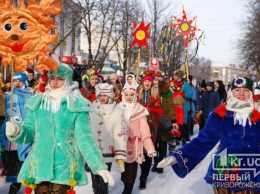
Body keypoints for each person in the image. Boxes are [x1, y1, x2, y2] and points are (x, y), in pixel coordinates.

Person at [5, 64, 114, 194]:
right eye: (52, 78)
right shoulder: (38, 102)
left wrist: (98, 165)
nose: (55, 82)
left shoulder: (76, 105)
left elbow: (85, 140)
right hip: (40, 165)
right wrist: (17, 131)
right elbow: (28, 133)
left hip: (65, 168)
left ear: (67, 80)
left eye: (60, 78)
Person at [158, 76, 260, 193]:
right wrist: (179, 156)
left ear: (251, 93)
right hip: (226, 171)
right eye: (237, 90)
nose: (241, 93)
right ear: (231, 93)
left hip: (254, 171)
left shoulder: (258, 116)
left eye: (246, 90)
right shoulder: (220, 115)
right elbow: (203, 140)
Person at [137, 70, 179, 189]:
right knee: (138, 154)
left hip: (151, 129)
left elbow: (160, 114)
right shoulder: (135, 95)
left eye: (150, 81)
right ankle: (140, 174)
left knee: (148, 152)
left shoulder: (155, 97)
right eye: (146, 81)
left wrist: (170, 126)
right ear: (142, 82)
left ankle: (143, 177)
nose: (148, 83)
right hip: (136, 130)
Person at [118, 80, 156, 194]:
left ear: (135, 96)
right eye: (127, 95)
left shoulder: (140, 110)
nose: (129, 97)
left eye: (131, 95)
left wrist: (150, 148)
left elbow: (145, 132)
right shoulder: (117, 108)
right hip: (120, 145)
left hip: (134, 145)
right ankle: (126, 185)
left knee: (131, 169)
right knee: (124, 170)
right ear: (123, 95)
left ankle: (127, 190)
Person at [89, 83, 127, 194]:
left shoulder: (116, 112)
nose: (102, 98)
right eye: (100, 95)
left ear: (110, 96)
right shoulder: (90, 110)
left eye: (105, 96)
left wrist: (120, 155)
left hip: (107, 152)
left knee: (103, 181)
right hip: (93, 151)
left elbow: (119, 135)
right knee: (95, 180)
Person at [0, 72, 34, 194]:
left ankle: (17, 183)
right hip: (9, 131)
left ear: (24, 81)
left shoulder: (31, 96)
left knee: (22, 156)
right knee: (10, 158)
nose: (17, 83)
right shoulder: (8, 96)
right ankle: (14, 179)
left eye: (19, 81)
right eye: (15, 81)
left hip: (24, 131)